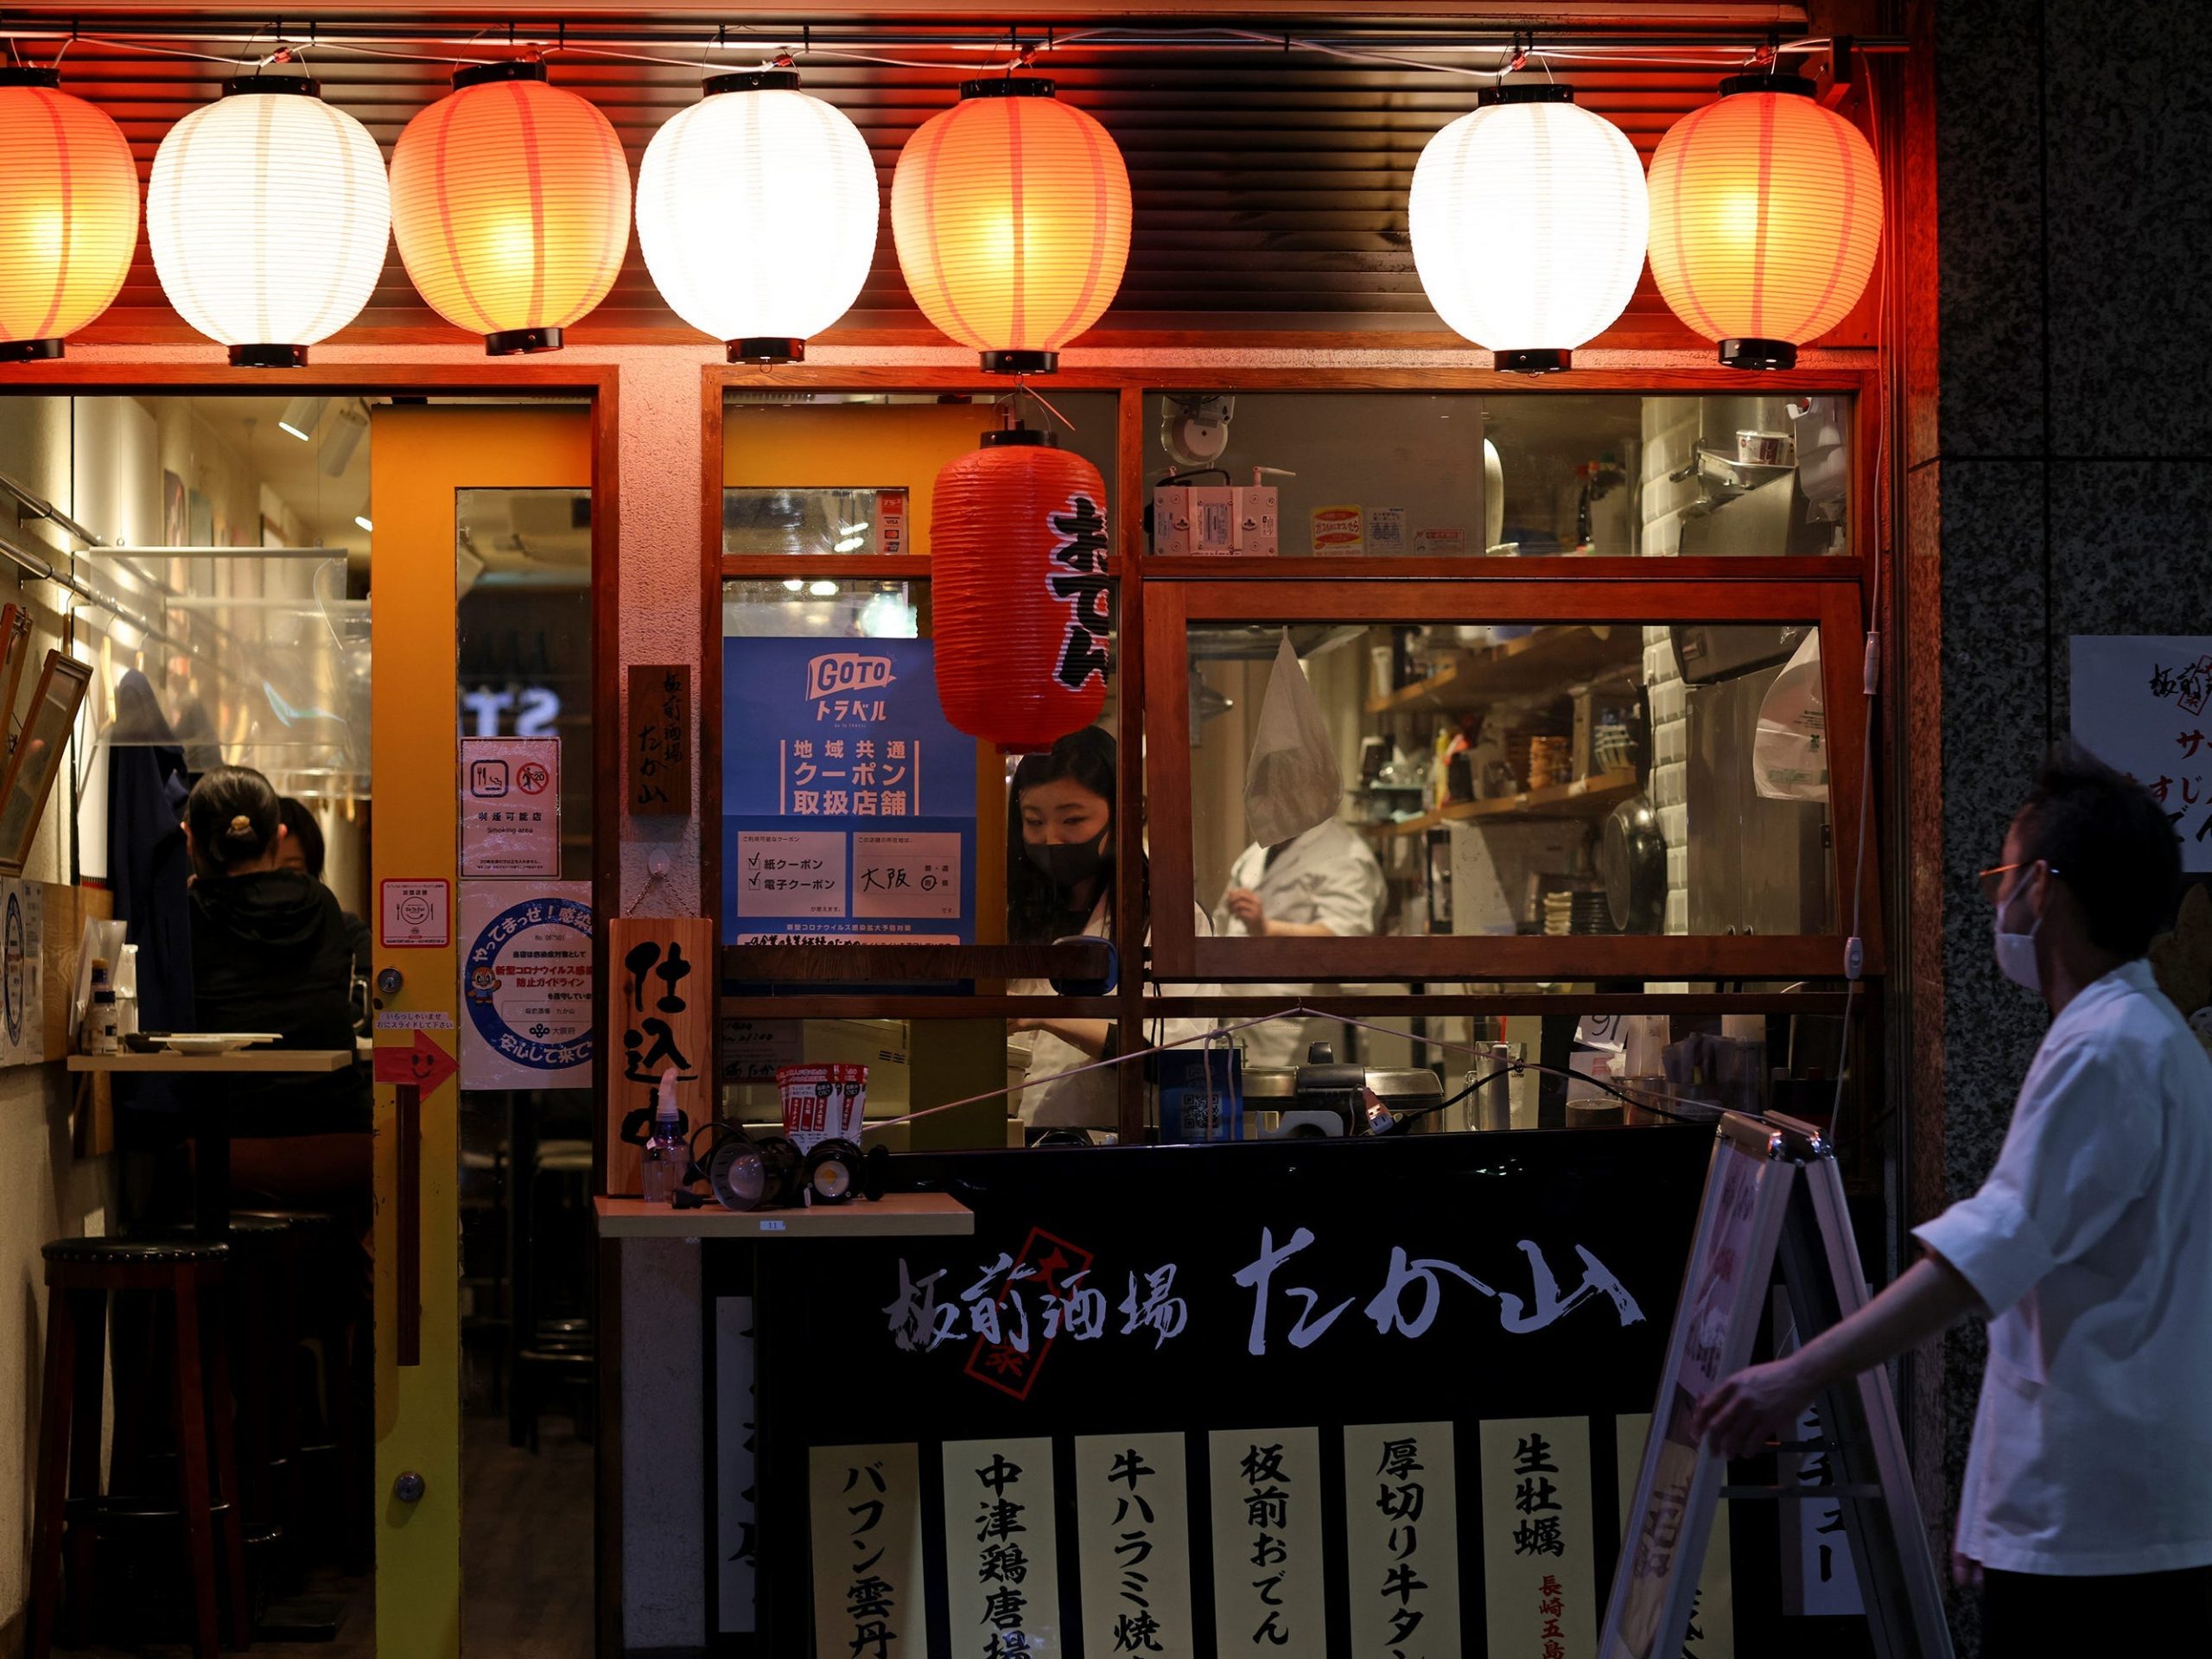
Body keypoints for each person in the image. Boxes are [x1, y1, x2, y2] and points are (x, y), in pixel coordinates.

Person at [1690, 742, 2212, 1646]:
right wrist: (1991, 1507)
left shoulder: (2106, 1047)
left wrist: (1797, 1373)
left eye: (1998, 876)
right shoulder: (2138, 1032)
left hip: (2105, 1521)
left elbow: (1980, 1264)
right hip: (2109, 1505)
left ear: (2041, 888)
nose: (1994, 901)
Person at [186, 766, 372, 1229]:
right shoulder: (324, 906)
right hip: (342, 1143)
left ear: (190, 838)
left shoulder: (187, 914)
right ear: (279, 835)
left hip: (226, 1151)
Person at [1006, 726, 1211, 1130]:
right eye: (1034, 821)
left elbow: (1182, 1060)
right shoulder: (1009, 910)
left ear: (1122, 814)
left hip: (1116, 1141)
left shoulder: (1164, 918)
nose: (1051, 839)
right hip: (1010, 1139)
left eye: (1072, 820)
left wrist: (1051, 1016)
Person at [1213, 815, 1385, 1069]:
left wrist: (1267, 928)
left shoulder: (1346, 854)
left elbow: (1345, 940)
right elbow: (1221, 926)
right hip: (1239, 1025)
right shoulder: (1257, 853)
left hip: (1302, 1034)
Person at [276, 795, 372, 1032]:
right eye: (269, 871)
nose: (277, 884)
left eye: (292, 870)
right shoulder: (233, 935)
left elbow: (364, 1014)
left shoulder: (346, 931)